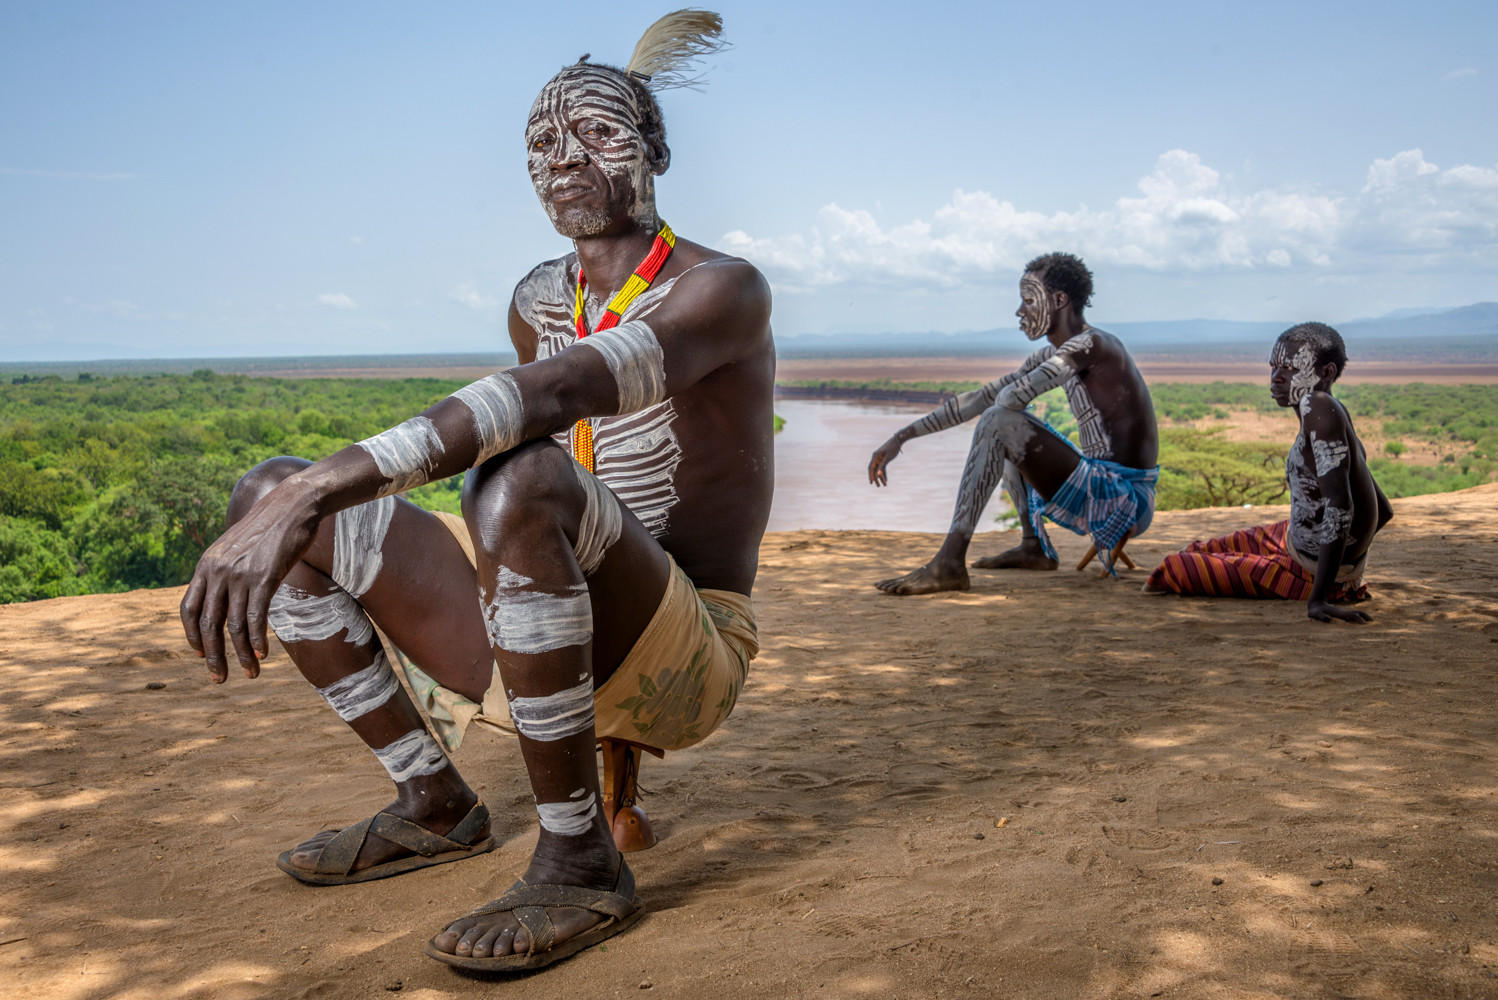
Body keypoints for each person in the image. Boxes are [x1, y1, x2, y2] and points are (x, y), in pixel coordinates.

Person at [180, 11, 774, 972]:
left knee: (512, 476)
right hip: (550, 630)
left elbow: (557, 398)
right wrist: (296, 501)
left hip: (689, 653)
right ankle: (435, 804)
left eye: (599, 132)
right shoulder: (535, 297)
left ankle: (579, 860)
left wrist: (329, 483)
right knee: (269, 492)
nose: (565, 159)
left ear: (656, 148)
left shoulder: (722, 289)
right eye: (541, 144)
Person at [867, 253, 1159, 594]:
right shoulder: (1064, 351)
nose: (1020, 312)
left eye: (1028, 301)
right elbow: (979, 398)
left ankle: (949, 562)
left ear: (1059, 300)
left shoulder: (1091, 345)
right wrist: (901, 437)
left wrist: (1011, 393)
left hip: (1123, 500)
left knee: (1001, 422)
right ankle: (1033, 545)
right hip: (1104, 488)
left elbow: (1005, 402)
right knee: (1002, 423)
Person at [1144, 322, 1392, 623]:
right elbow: (1384, 508)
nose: (1276, 378)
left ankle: (1327, 583)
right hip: (1294, 540)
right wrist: (1348, 558)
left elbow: (1340, 509)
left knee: (1172, 568)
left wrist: (1322, 594)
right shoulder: (1331, 408)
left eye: (1290, 368)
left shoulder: (1320, 408)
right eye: (1274, 366)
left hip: (1309, 570)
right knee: (1197, 549)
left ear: (1326, 373)